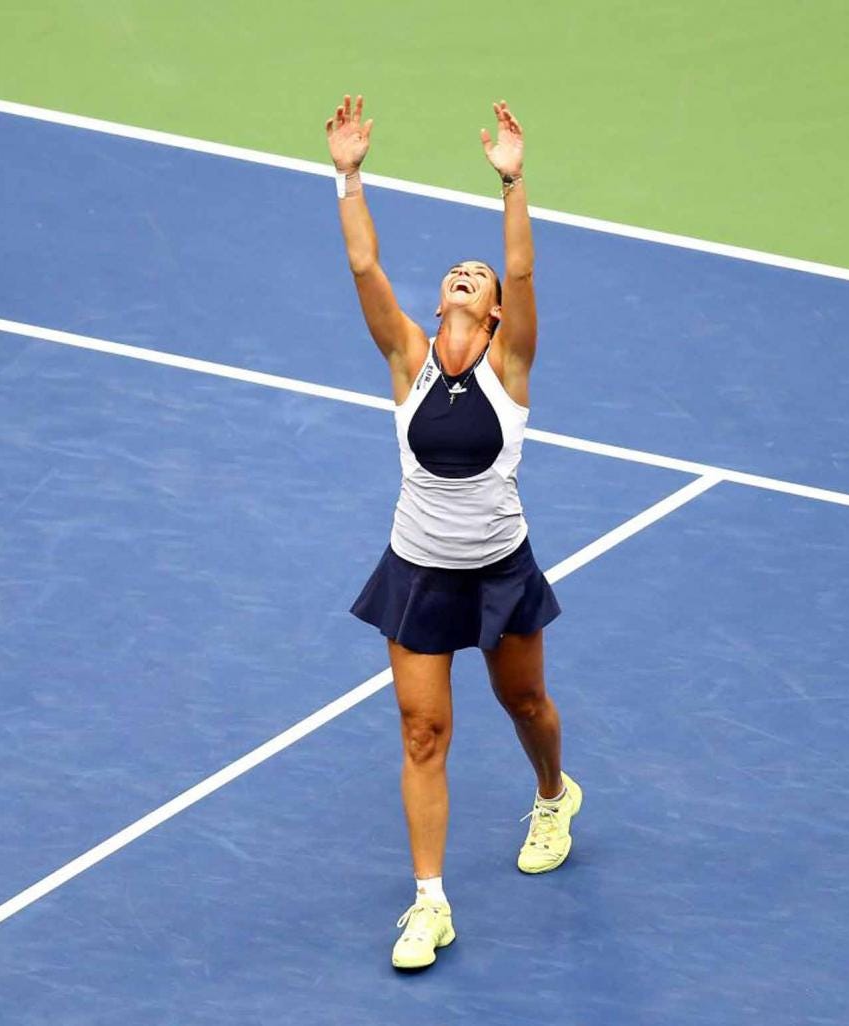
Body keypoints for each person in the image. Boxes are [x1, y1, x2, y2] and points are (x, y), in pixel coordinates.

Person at [325, 95, 582, 970]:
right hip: (420, 574)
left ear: (499, 313)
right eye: (457, 271)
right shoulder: (407, 358)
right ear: (439, 304)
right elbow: (365, 269)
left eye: (482, 274)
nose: (469, 272)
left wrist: (513, 185)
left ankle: (554, 793)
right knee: (423, 733)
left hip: (500, 571)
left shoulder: (513, 366)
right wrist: (348, 176)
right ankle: (430, 904)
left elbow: (526, 268)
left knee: (526, 705)